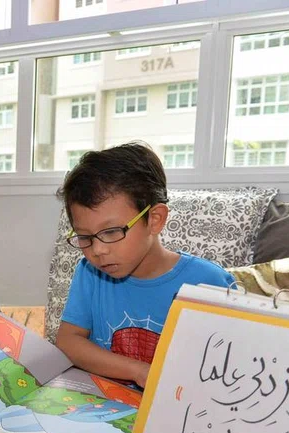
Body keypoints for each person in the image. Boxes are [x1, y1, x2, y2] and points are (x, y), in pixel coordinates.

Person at [54, 143, 234, 388]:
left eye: (111, 231)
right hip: (101, 403)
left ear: (155, 219)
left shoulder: (209, 284)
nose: (98, 250)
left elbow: (229, 366)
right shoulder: (89, 273)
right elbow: (68, 341)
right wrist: (138, 371)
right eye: (85, 237)